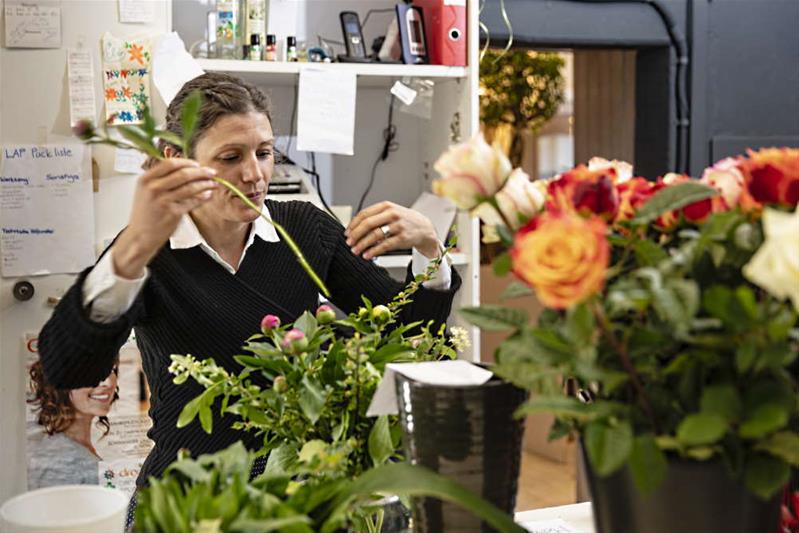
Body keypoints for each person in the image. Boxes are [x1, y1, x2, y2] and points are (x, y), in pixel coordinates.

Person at [38, 72, 460, 493]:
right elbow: (70, 368)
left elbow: (410, 336)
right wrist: (133, 249)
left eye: (264, 153)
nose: (254, 175)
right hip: (188, 497)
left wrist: (428, 247)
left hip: (293, 491)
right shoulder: (148, 251)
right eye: (230, 157)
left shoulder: (305, 229)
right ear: (174, 157)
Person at [27, 361, 118, 489]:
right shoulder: (61, 462)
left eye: (112, 370)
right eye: (90, 372)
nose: (108, 382)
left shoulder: (76, 448)